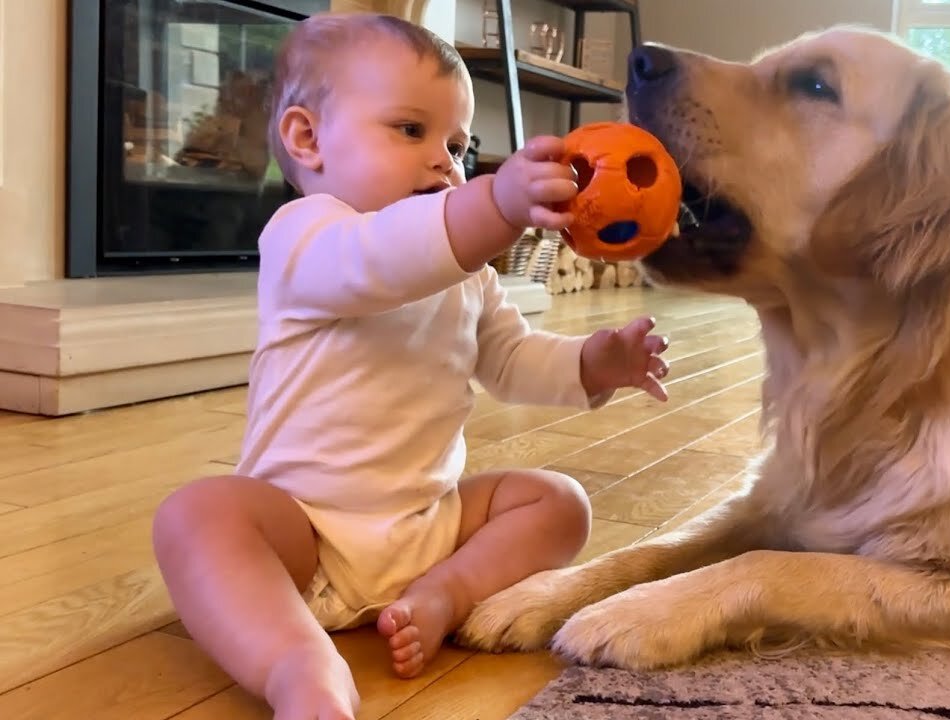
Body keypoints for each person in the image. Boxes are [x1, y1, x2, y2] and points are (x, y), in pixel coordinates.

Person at [150, 12, 670, 720]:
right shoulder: (305, 237)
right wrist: (490, 202)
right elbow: (378, 263)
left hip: (430, 525)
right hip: (304, 539)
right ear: (308, 139)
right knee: (195, 517)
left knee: (558, 503)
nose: (444, 162)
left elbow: (511, 361)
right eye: (410, 130)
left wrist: (592, 363)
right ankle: (296, 663)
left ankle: (445, 594)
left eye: (460, 144)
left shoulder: (468, 278)